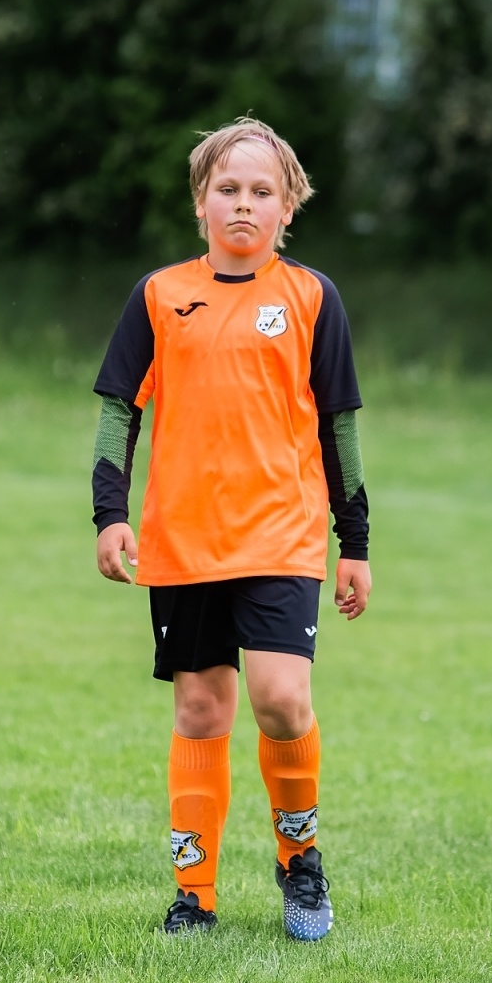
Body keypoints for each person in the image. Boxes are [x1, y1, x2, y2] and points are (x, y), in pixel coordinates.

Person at [91, 117, 371, 940]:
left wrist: (354, 542)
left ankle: (301, 864)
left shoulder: (312, 297)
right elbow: (117, 412)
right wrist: (110, 515)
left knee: (282, 699)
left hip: (282, 534)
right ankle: (194, 895)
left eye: (261, 192)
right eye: (228, 190)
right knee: (203, 710)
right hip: (183, 540)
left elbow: (339, 426)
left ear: (288, 209)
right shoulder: (158, 295)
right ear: (201, 204)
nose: (243, 205)